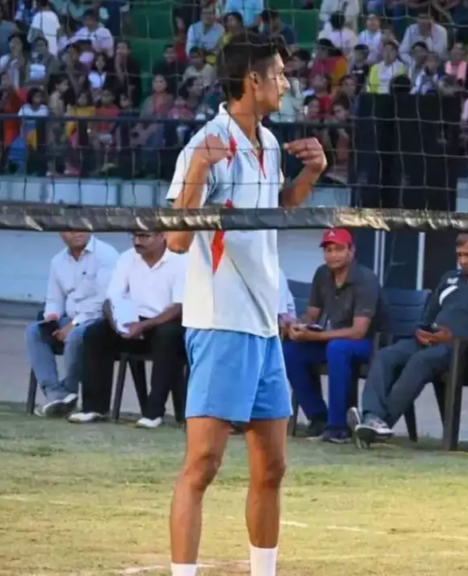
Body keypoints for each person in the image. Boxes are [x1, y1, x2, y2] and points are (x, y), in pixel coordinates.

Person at [165, 32, 326, 576]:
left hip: (262, 327)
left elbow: (275, 209)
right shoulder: (205, 144)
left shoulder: (272, 144)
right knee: (202, 465)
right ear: (251, 81)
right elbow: (177, 241)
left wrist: (311, 175)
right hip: (219, 322)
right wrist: (196, 175)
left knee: (272, 466)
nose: (286, 82)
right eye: (278, 74)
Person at [348, 233, 468, 446]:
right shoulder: (450, 278)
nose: (463, 261)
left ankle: (379, 424)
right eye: (459, 255)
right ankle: (372, 416)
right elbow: (428, 316)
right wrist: (421, 330)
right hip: (433, 344)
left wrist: (458, 337)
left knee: (422, 361)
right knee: (386, 355)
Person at [68, 232, 187, 426]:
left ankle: (153, 412)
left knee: (168, 336)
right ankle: (94, 407)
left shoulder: (179, 263)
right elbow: (110, 299)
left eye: (144, 236)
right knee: (94, 334)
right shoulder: (127, 258)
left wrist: (145, 325)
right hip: (129, 321)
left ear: (161, 236)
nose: (138, 242)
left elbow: (178, 306)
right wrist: (116, 324)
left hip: (163, 322)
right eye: (134, 236)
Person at [283, 228, 386, 443]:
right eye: (328, 250)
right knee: (291, 351)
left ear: (351, 251)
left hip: (370, 344)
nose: (333, 255)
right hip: (333, 340)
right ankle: (319, 417)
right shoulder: (322, 273)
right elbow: (312, 313)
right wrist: (299, 325)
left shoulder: (365, 279)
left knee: (337, 348)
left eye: (339, 249)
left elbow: (359, 332)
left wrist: (315, 337)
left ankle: (338, 427)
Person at [26, 231, 119, 417]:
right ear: (61, 234)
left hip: (98, 320)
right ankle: (55, 393)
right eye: (70, 229)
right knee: (34, 331)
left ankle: (69, 390)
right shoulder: (57, 261)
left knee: (76, 336)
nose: (77, 232)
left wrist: (74, 324)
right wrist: (52, 318)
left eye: (81, 227)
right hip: (70, 317)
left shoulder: (106, 255)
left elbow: (105, 300)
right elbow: (54, 298)